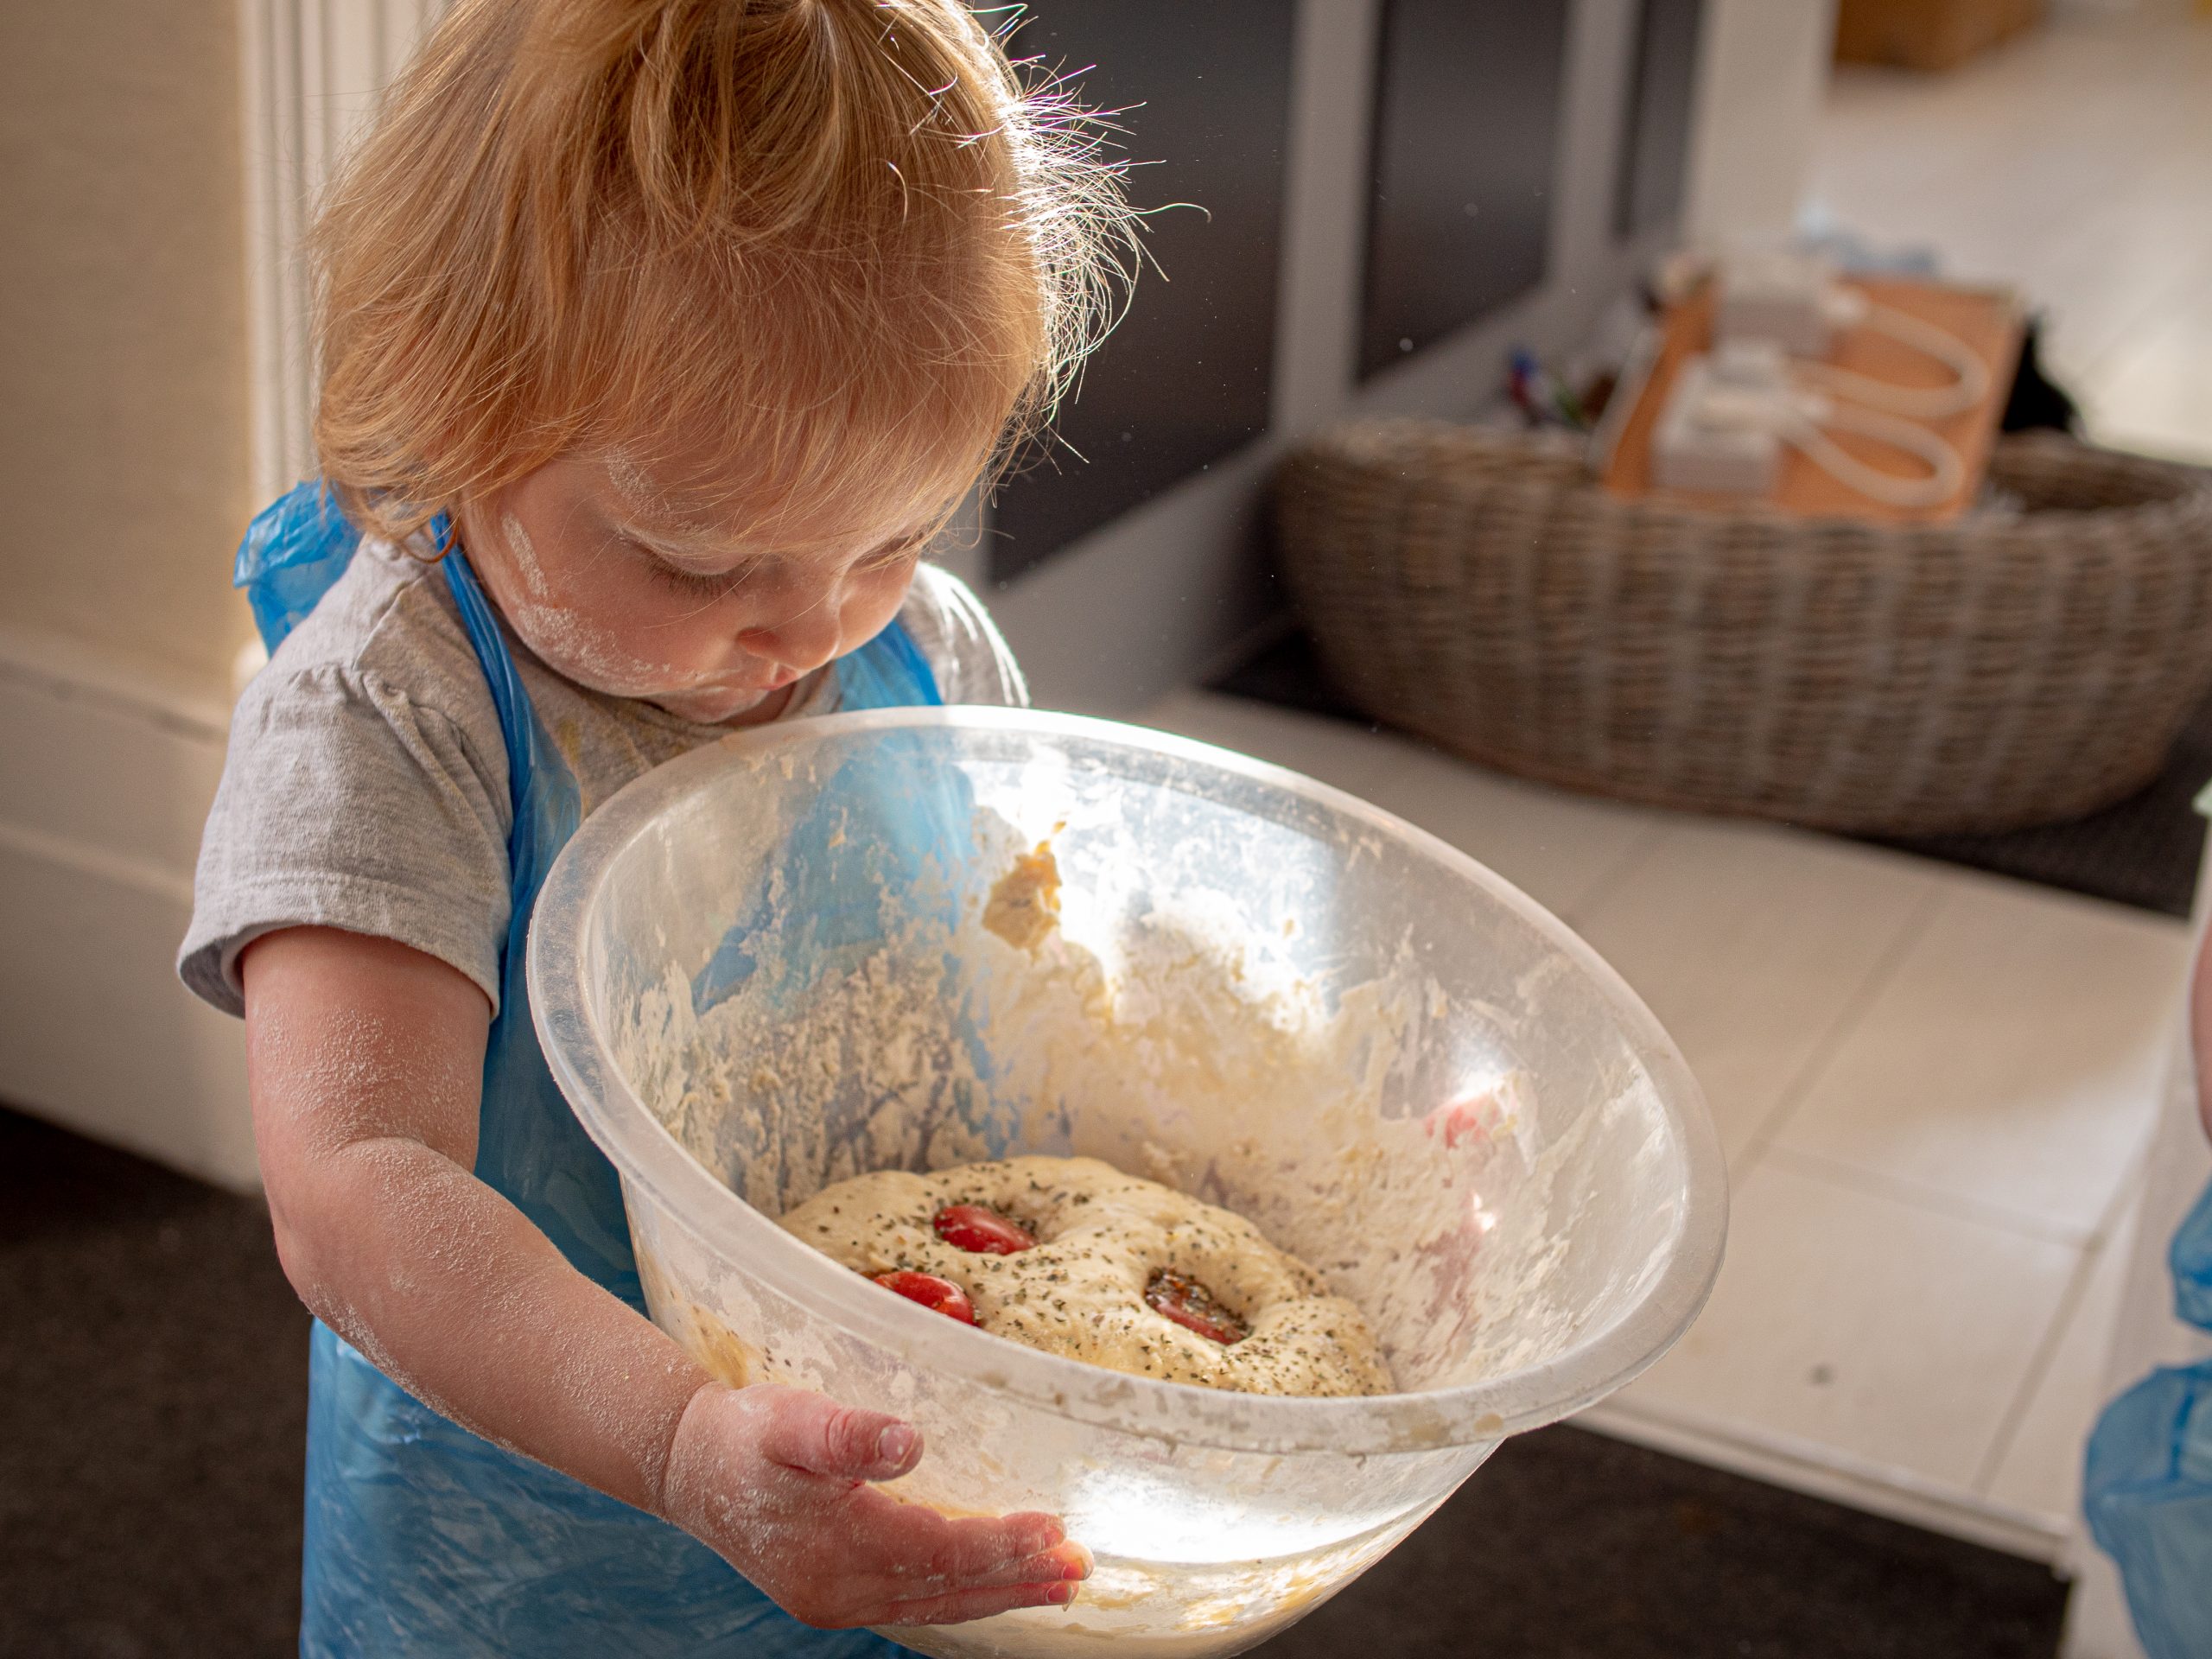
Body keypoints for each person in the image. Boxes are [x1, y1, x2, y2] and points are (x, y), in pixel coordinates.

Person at [175, 2, 1135, 1652]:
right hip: (536, 1547)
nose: (812, 628)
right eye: (699, 565)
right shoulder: (393, 715)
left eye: (894, 534)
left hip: (888, 1462)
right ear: (457, 408)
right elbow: (358, 1184)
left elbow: (1042, 1011)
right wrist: (681, 1443)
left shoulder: (925, 656)